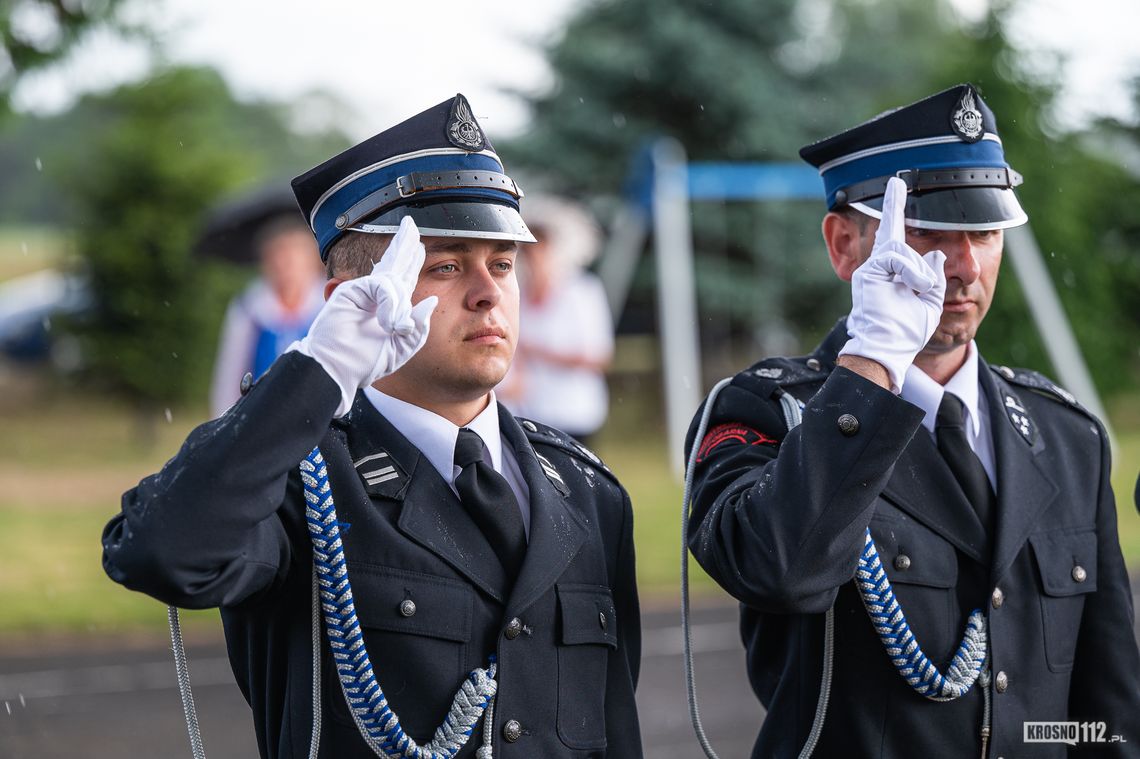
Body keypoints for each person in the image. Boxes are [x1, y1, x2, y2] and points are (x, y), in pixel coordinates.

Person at [103, 94, 642, 759]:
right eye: (444, 265)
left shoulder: (588, 493)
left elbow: (616, 730)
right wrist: (316, 370)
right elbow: (157, 549)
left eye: (503, 264)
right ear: (349, 302)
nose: (488, 291)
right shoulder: (300, 481)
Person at [686, 84, 1140, 758]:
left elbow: (1105, 714)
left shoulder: (1067, 434)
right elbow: (779, 568)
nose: (962, 266)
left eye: (983, 232)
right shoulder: (764, 411)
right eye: (929, 232)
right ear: (845, 244)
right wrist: (869, 366)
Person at [498, 195, 614, 446]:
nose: (535, 261)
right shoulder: (518, 294)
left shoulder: (582, 292)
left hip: (576, 412)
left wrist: (536, 351)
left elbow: (597, 357)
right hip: (531, 413)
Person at [209, 218, 326, 417]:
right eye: (279, 253)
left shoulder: (327, 303)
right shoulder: (250, 309)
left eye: (295, 253)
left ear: (312, 260)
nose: (287, 263)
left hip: (320, 416)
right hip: (262, 417)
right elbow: (230, 376)